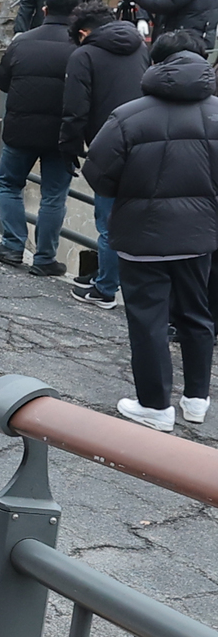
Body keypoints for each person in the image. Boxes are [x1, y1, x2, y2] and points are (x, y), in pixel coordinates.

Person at [83, 29, 218, 431]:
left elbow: (98, 173)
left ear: (155, 64)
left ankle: (155, 405)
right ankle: (197, 400)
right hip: (199, 236)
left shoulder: (128, 115)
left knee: (148, 320)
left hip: (142, 236)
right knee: (197, 315)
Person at [0, 0, 81, 277]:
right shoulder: (81, 47)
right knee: (54, 196)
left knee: (9, 183)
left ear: (43, 8)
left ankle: (13, 244)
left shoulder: (22, 42)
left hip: (20, 129)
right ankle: (44, 258)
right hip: (61, 134)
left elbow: (1, 80)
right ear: (77, 11)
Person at [57, 0, 149, 309]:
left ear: (83, 32)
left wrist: (70, 147)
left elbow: (75, 109)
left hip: (108, 145)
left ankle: (106, 289)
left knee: (109, 221)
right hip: (146, 140)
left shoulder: (84, 55)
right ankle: (121, 281)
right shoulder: (138, 46)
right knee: (138, 219)